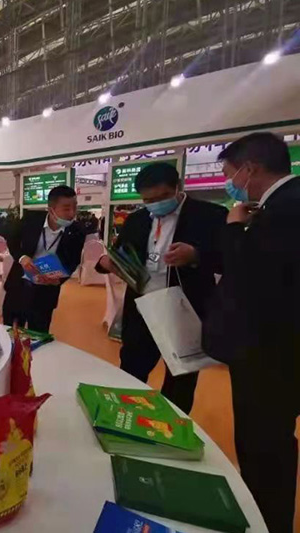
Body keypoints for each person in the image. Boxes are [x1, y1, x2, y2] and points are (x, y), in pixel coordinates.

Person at [202, 132, 300, 533]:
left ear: (250, 169)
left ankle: (266, 521)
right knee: (269, 440)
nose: (232, 183)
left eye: (231, 174)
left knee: (264, 445)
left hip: (268, 353)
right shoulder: (282, 204)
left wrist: (232, 229)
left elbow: (249, 277)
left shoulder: (285, 210)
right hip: (277, 349)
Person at [96, 162, 227, 414]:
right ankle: (126, 416)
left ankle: (171, 425)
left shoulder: (210, 215)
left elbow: (229, 258)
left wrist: (196, 255)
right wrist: (107, 263)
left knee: (181, 378)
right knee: (132, 369)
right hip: (142, 308)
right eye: (148, 200)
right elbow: (120, 254)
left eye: (163, 197)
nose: (155, 204)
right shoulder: (136, 220)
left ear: (178, 187)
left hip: (185, 309)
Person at [4, 185, 85, 332]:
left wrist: (58, 280)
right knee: (11, 332)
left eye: (75, 207)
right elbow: (12, 240)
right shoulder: (31, 219)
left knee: (39, 334)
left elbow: (73, 261)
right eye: (66, 209)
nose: (72, 213)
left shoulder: (77, 231)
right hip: (19, 286)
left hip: (46, 291)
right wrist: (22, 257)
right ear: (51, 209)